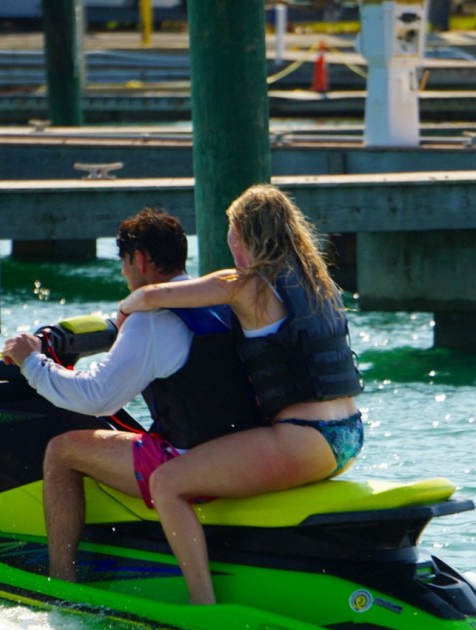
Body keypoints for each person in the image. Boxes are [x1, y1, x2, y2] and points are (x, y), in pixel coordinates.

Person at [117, 184, 364, 605]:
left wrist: (124, 313)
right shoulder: (318, 281)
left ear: (242, 235)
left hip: (305, 439)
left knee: (168, 482)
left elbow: (154, 295)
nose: (229, 242)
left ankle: (202, 604)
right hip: (350, 436)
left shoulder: (245, 285)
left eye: (231, 232)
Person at [1, 207, 262, 581]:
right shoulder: (218, 301)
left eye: (124, 263)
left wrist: (32, 362)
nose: (124, 274)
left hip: (188, 460)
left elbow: (97, 398)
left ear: (139, 259)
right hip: (239, 451)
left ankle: (60, 581)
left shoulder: (150, 321)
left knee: (61, 451)